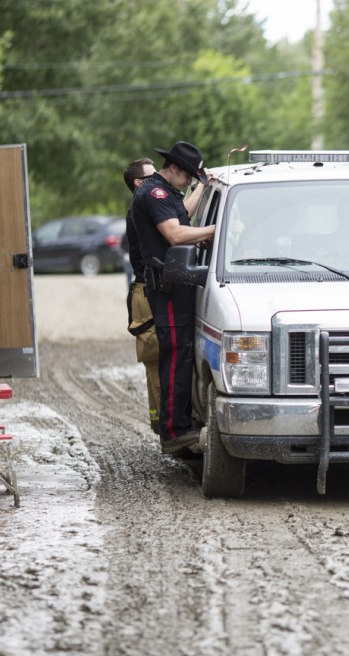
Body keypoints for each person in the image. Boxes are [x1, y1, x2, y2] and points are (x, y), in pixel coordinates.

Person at [131, 141, 216, 455]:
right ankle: (173, 433)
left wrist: (203, 186)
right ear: (175, 169)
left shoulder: (165, 193)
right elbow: (175, 233)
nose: (188, 181)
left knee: (181, 356)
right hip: (167, 287)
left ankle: (178, 425)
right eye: (188, 176)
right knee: (175, 356)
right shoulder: (154, 194)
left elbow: (182, 213)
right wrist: (214, 229)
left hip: (175, 285)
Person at [122, 157, 161, 435]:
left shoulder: (147, 207)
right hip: (146, 295)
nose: (158, 178)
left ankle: (165, 423)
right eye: (153, 175)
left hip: (148, 292)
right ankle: (162, 427)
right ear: (140, 184)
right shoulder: (141, 211)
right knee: (156, 360)